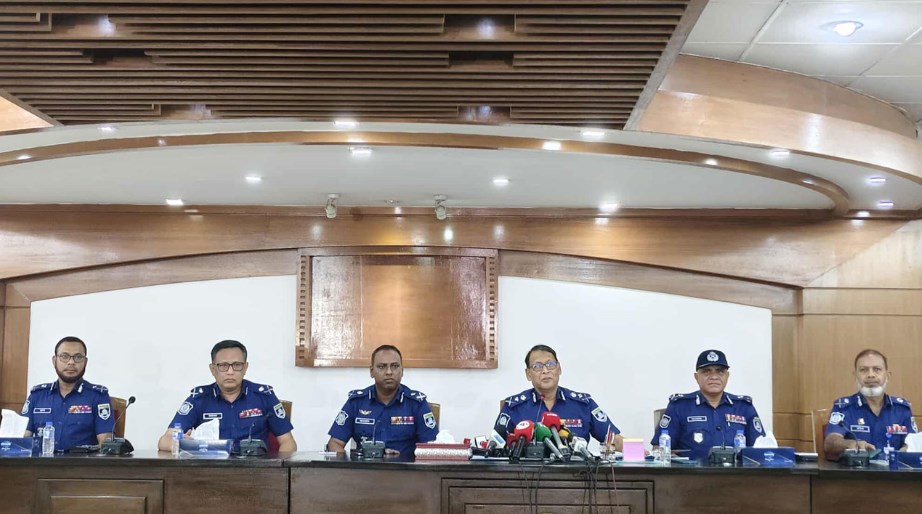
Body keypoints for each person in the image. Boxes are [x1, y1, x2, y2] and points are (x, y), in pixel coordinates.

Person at [157, 340, 296, 452]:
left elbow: (288, 442)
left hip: (256, 470)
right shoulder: (199, 400)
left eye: (237, 365)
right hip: (211, 471)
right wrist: (183, 444)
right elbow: (165, 441)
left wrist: (276, 470)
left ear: (245, 367)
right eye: (223, 366)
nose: (230, 372)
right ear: (213, 369)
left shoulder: (264, 397)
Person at [494, 344, 623, 450]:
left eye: (550, 364)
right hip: (526, 472)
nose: (545, 371)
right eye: (537, 366)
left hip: (576, 472)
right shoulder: (513, 407)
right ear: (528, 374)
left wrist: (635, 450)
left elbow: (614, 440)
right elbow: (495, 444)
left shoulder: (583, 404)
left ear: (559, 369)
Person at [653, 349, 765, 461]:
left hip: (735, 471)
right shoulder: (679, 407)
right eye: (706, 372)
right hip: (691, 471)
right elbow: (658, 449)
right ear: (696, 377)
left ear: (727, 376)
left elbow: (761, 449)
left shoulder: (743, 407)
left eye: (720, 371)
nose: (714, 377)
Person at [327, 344, 438, 456]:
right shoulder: (356, 403)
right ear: (371, 371)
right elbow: (334, 443)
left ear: (402, 371)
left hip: (405, 466)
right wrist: (350, 463)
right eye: (382, 367)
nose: (389, 372)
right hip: (366, 466)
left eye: (395, 366)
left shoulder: (417, 404)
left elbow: (432, 448)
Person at [21, 336, 115, 450]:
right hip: (42, 460)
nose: (71, 362)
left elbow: (105, 444)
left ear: (85, 362)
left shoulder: (98, 397)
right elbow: (22, 439)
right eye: (64, 357)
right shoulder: (37, 396)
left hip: (81, 461)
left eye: (78, 357)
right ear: (54, 361)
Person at [824, 349, 918, 461]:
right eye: (863, 370)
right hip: (857, 470)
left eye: (877, 369)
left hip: (894, 470)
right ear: (855, 376)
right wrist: (851, 444)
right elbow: (830, 443)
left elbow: (913, 443)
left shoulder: (902, 409)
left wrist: (906, 451)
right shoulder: (843, 407)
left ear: (888, 375)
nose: (870, 375)